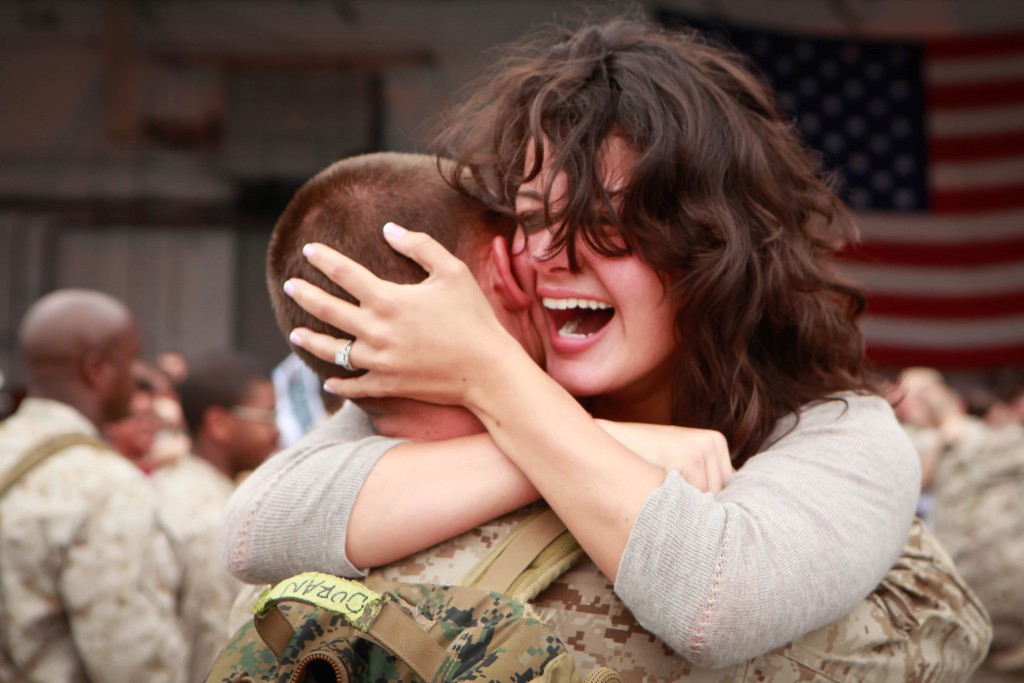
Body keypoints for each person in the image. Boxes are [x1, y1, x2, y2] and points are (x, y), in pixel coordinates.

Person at [226, 16, 990, 681]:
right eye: (533, 217)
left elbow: (714, 604)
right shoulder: (491, 385)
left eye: (609, 223)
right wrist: (606, 436)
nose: (554, 255)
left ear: (714, 249)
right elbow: (258, 524)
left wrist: (493, 376)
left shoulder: (840, 431)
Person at [0, 289, 188, 683]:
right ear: (96, 369)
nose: (136, 375)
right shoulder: (107, 486)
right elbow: (135, 665)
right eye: (131, 359)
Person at [891, 367, 1024, 680]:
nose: (914, 401)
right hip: (958, 595)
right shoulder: (910, 442)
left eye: (922, 392)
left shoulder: (990, 434)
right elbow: (914, 482)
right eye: (908, 395)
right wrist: (944, 440)